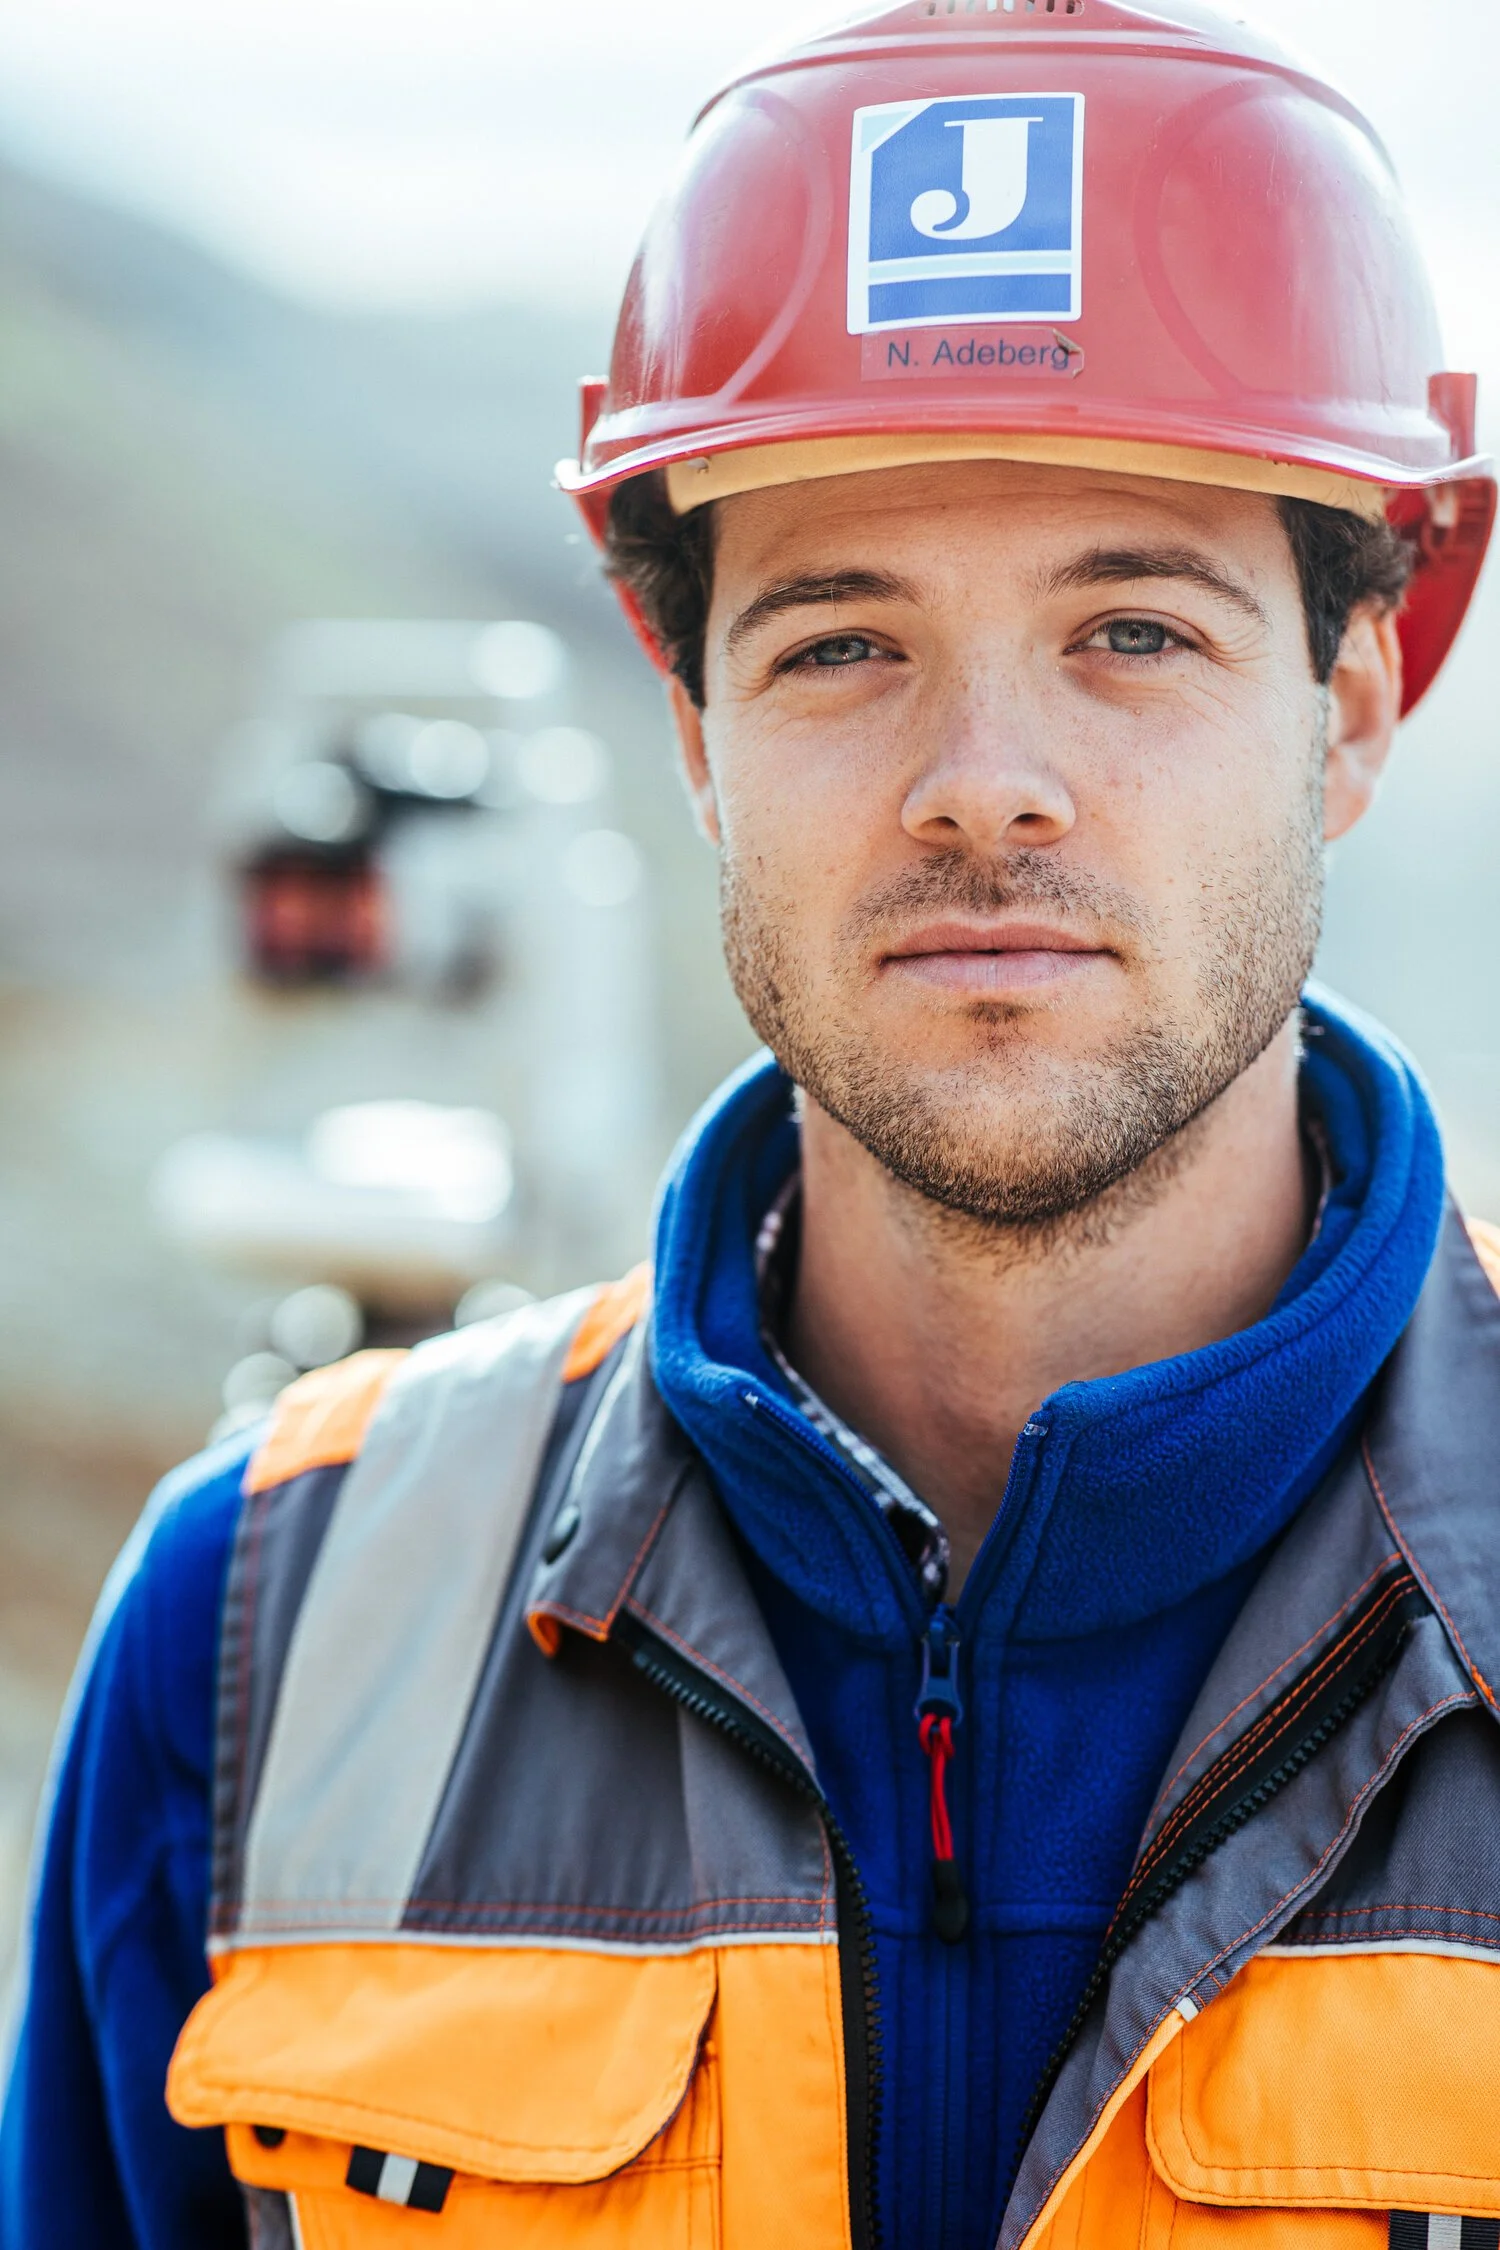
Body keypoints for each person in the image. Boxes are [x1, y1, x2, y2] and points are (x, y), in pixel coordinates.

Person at [5, 3, 1499, 2246]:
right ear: (694, 726)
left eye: (1134, 631)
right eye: (838, 644)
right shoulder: (265, 1635)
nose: (984, 779)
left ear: (1354, 704)